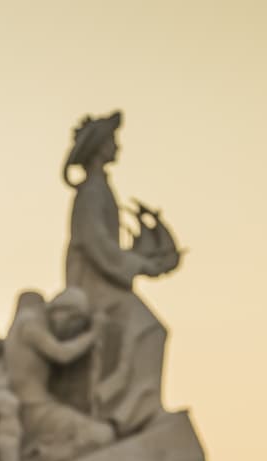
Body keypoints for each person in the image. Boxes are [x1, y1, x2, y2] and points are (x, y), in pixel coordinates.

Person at [62, 110, 181, 434]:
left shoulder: (99, 188)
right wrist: (139, 265)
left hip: (106, 280)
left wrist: (140, 257)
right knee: (148, 329)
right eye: (112, 141)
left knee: (146, 330)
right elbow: (95, 242)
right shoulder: (92, 191)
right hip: (94, 286)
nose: (118, 146)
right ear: (100, 147)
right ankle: (128, 411)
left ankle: (132, 407)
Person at [5, 288, 114, 461]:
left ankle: (43, 452)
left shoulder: (28, 322)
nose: (70, 331)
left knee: (100, 435)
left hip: (37, 408)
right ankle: (40, 456)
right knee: (103, 435)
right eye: (74, 324)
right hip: (34, 409)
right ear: (63, 313)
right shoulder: (30, 324)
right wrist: (93, 334)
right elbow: (62, 354)